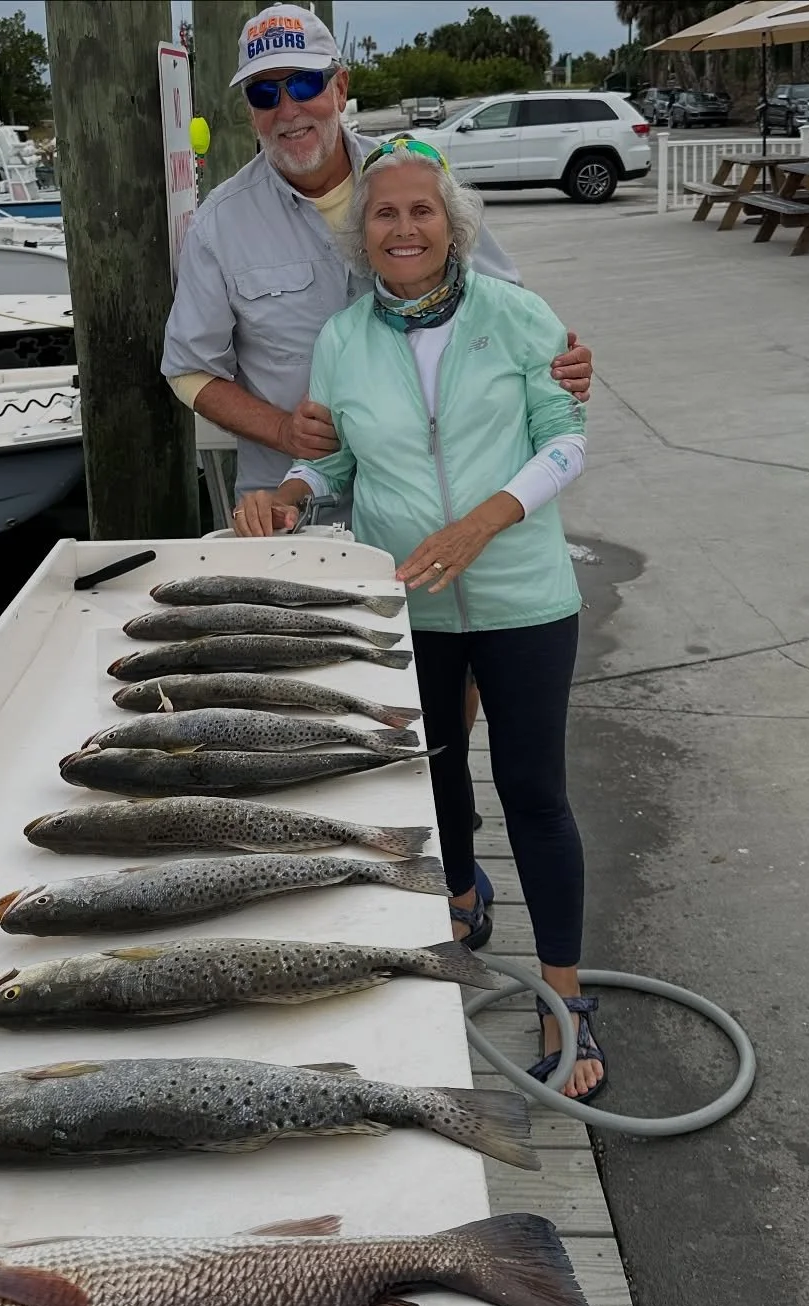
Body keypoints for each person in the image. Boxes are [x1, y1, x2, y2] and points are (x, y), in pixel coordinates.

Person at [162, 2, 594, 917]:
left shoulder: (415, 173)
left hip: (451, 527)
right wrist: (287, 436)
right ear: (249, 109)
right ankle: (360, 900)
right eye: (265, 93)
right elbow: (187, 369)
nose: (289, 108)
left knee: (451, 713)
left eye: (304, 83)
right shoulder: (222, 223)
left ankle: (452, 878)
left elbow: (510, 310)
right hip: (297, 505)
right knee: (326, 732)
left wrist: (565, 362)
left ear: (339, 86)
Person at [231, 137, 604, 1103]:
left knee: (535, 794)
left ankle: (565, 997)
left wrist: (485, 521)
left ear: (453, 227)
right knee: (432, 777)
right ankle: (461, 898)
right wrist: (290, 492)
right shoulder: (342, 340)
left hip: (522, 596)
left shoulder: (517, 315)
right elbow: (333, 462)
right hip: (408, 601)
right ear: (364, 237)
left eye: (422, 211)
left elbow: (566, 444)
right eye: (385, 214)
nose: (404, 228)